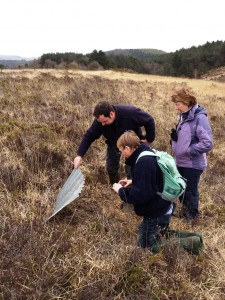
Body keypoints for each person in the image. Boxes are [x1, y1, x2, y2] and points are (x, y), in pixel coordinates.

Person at [112, 131, 173, 253]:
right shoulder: (145, 154)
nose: (121, 154)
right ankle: (165, 234)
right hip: (162, 206)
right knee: (153, 235)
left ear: (128, 148)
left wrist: (121, 191)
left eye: (121, 151)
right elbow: (151, 181)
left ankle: (190, 241)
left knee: (146, 248)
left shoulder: (144, 162)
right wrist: (133, 181)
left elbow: (142, 195)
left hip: (156, 212)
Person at [73, 101, 155, 184]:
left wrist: (149, 139)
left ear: (111, 114)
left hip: (132, 144)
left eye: (105, 121)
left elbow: (149, 120)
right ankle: (116, 186)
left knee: (131, 169)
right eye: (101, 122)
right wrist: (79, 155)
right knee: (111, 168)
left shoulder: (130, 113)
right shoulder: (100, 122)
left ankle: (132, 190)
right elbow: (89, 136)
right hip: (113, 143)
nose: (103, 124)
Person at [170, 88, 213, 222]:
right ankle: (185, 211)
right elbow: (187, 136)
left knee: (190, 190)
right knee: (181, 188)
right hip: (180, 161)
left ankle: (192, 217)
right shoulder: (183, 116)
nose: (176, 107)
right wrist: (174, 140)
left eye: (178, 104)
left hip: (193, 164)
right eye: (175, 104)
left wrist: (188, 150)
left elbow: (207, 143)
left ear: (187, 102)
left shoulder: (199, 118)